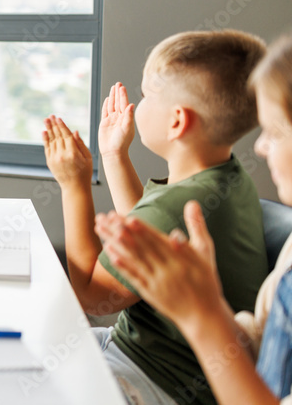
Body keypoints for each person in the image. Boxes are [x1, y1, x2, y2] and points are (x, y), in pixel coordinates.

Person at [42, 29, 270, 404]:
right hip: (139, 354)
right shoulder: (226, 179)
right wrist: (114, 156)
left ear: (177, 121)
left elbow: (90, 298)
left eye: (147, 95)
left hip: (153, 380)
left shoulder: (177, 206)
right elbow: (145, 231)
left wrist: (74, 184)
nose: (137, 103)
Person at [97, 33, 292, 405]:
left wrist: (201, 314)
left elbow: (92, 293)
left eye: (275, 131)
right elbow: (260, 343)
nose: (261, 146)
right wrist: (204, 305)